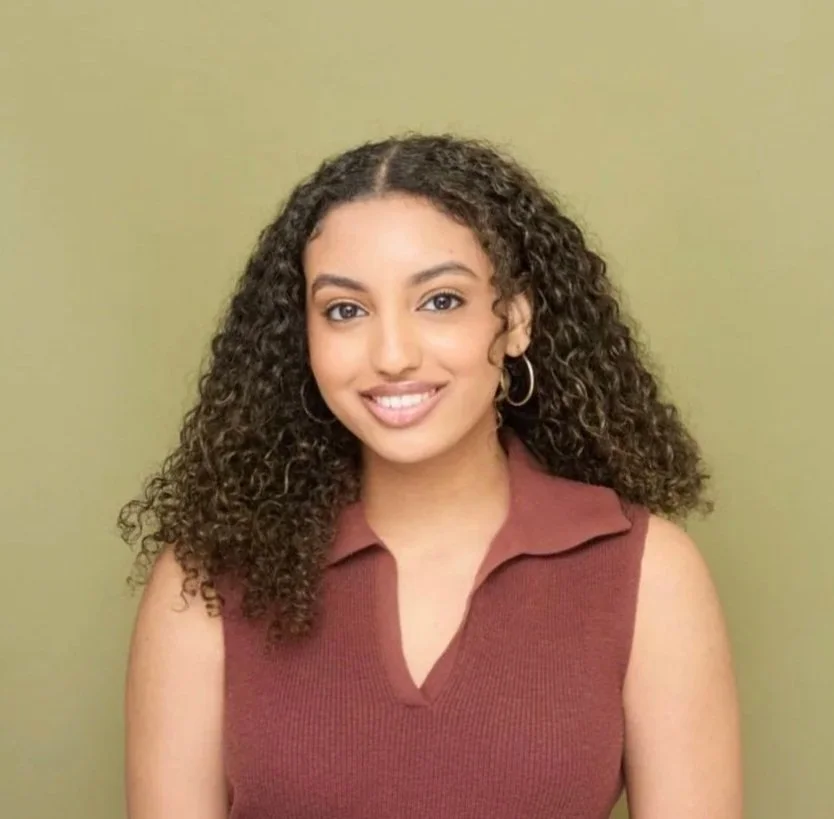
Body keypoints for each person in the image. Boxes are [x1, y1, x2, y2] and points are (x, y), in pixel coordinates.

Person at [118, 133, 743, 818]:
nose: (392, 354)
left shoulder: (645, 571)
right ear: (304, 336)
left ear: (515, 320)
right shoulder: (206, 582)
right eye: (345, 310)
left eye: (440, 300)